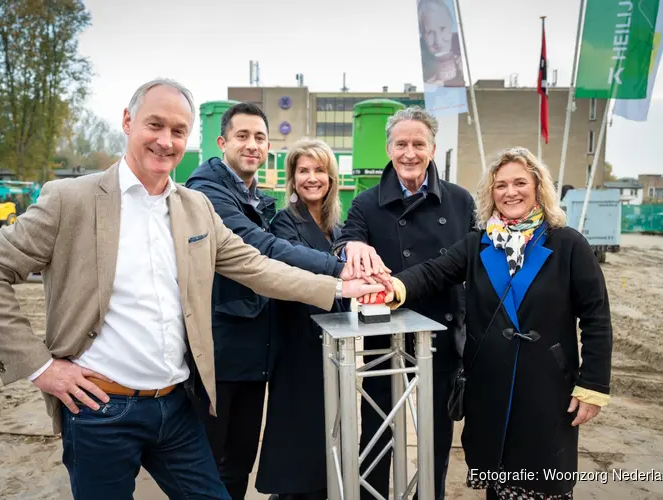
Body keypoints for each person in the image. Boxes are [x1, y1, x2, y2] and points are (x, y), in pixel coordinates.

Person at [0, 79, 383, 500]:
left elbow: (257, 266)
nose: (166, 141)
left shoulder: (194, 207)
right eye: (154, 125)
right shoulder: (72, 199)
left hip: (176, 406)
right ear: (127, 121)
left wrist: (342, 286)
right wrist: (40, 367)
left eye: (178, 131)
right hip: (102, 409)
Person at [374, 147, 613, 499]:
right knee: (498, 480)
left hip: (548, 386)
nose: (510, 192)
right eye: (501, 185)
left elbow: (597, 317)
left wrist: (593, 384)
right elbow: (432, 272)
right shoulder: (478, 242)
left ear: (538, 188)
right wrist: (394, 286)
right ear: (491, 192)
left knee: (543, 481)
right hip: (490, 385)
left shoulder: (568, 244)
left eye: (520, 182)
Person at [185, 104, 386, 500]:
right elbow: (264, 250)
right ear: (222, 142)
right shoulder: (209, 193)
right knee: (208, 460)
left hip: (255, 348)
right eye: (242, 136)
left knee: (238, 458)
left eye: (259, 138)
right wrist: (340, 270)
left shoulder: (258, 199)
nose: (252, 145)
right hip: (222, 346)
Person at [332, 106, 476, 500]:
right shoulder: (365, 203)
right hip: (385, 332)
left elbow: (475, 261)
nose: (409, 153)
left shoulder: (461, 201)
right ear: (388, 148)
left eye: (418, 144)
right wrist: (352, 245)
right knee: (378, 423)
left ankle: (428, 495)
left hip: (443, 332)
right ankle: (371, 495)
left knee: (435, 430)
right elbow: (345, 241)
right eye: (401, 144)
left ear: (432, 148)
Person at [255, 139, 346, 500]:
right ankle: (291, 493)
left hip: (333, 341)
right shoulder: (284, 223)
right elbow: (294, 268)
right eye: (303, 171)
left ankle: (321, 489)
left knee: (327, 424)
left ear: (331, 177)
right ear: (292, 179)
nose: (312, 178)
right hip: (297, 341)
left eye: (319, 170)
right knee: (297, 425)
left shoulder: (336, 224)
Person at [417, 0, 465, 87]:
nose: (438, 41)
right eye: (430, 32)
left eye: (443, 28)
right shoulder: (424, 61)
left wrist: (460, 73)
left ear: (451, 25)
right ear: (423, 36)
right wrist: (432, 86)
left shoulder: (461, 49)